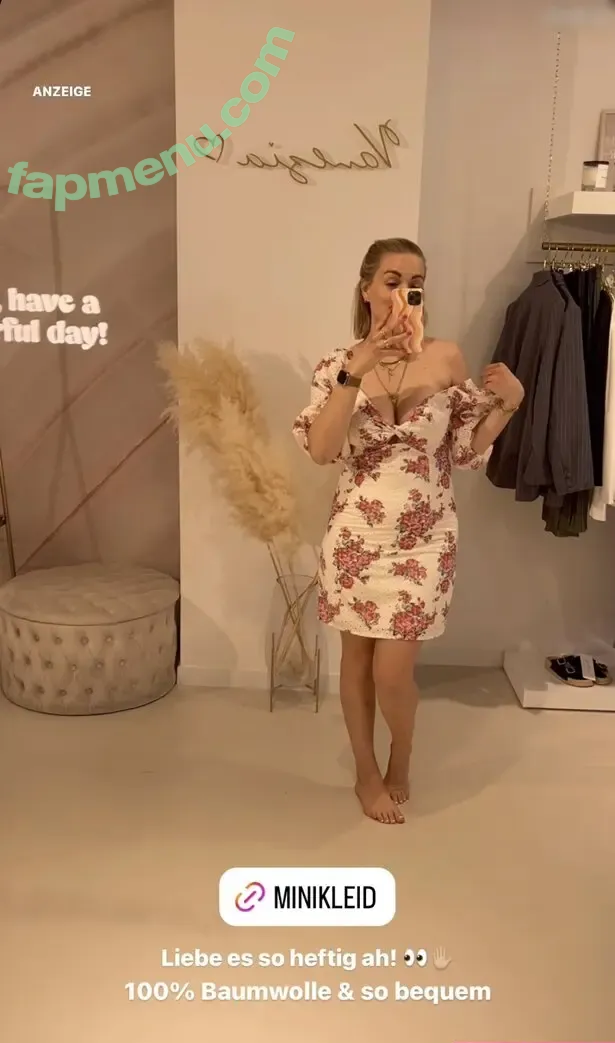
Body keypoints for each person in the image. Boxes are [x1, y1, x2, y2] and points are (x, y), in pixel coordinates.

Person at [292, 237, 524, 825]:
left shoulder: (445, 358)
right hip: (355, 539)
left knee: (393, 672)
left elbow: (465, 452)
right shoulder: (338, 364)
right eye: (392, 281)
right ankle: (366, 772)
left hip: (426, 537)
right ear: (367, 289)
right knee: (355, 662)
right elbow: (321, 450)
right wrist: (355, 372)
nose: (403, 292)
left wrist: (509, 406)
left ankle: (403, 749)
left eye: (415, 283)